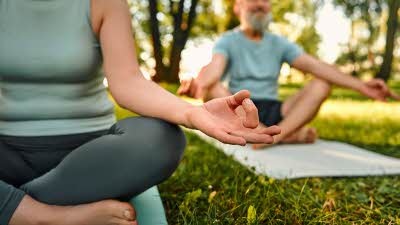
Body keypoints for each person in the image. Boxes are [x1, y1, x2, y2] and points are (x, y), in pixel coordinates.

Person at [0, 0, 282, 225]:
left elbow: (127, 81)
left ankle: (14, 206)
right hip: (7, 150)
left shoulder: (104, 3)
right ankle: (53, 217)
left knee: (162, 139)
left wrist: (192, 113)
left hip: (91, 155)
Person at [178, 0, 400, 149]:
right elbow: (214, 68)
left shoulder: (280, 43)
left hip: (277, 110)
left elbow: (317, 66)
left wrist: (362, 86)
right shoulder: (228, 40)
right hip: (240, 111)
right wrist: (199, 83)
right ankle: (282, 135)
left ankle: (274, 137)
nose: (260, 4)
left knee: (322, 83)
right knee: (213, 86)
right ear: (238, 7)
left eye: (265, 0)